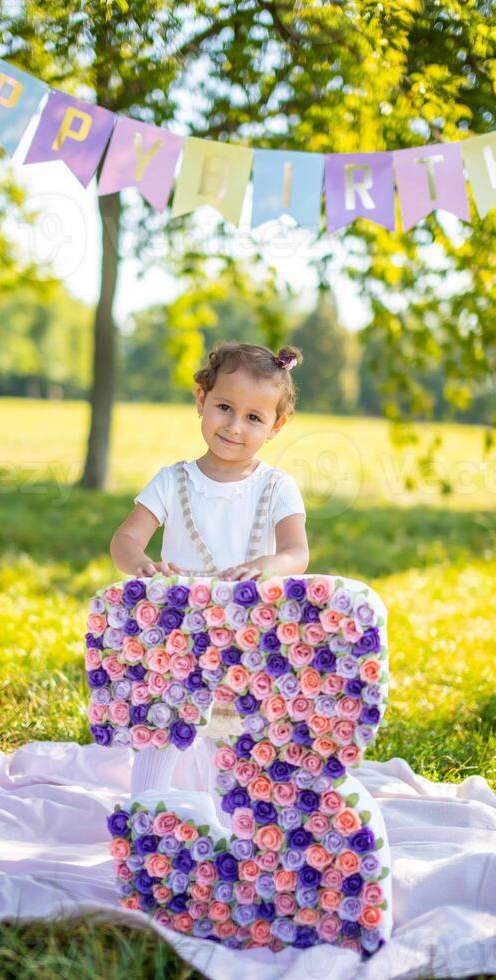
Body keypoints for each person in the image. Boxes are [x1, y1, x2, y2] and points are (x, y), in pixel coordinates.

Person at [109, 341, 310, 803]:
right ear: (201, 399)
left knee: (231, 731)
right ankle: (148, 814)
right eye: (224, 407)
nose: (235, 427)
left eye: (254, 418)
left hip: (244, 635)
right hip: (177, 634)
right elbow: (125, 540)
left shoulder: (277, 487)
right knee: (164, 721)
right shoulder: (172, 481)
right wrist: (141, 564)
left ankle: (226, 825)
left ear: (276, 426)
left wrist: (270, 565)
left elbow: (297, 552)